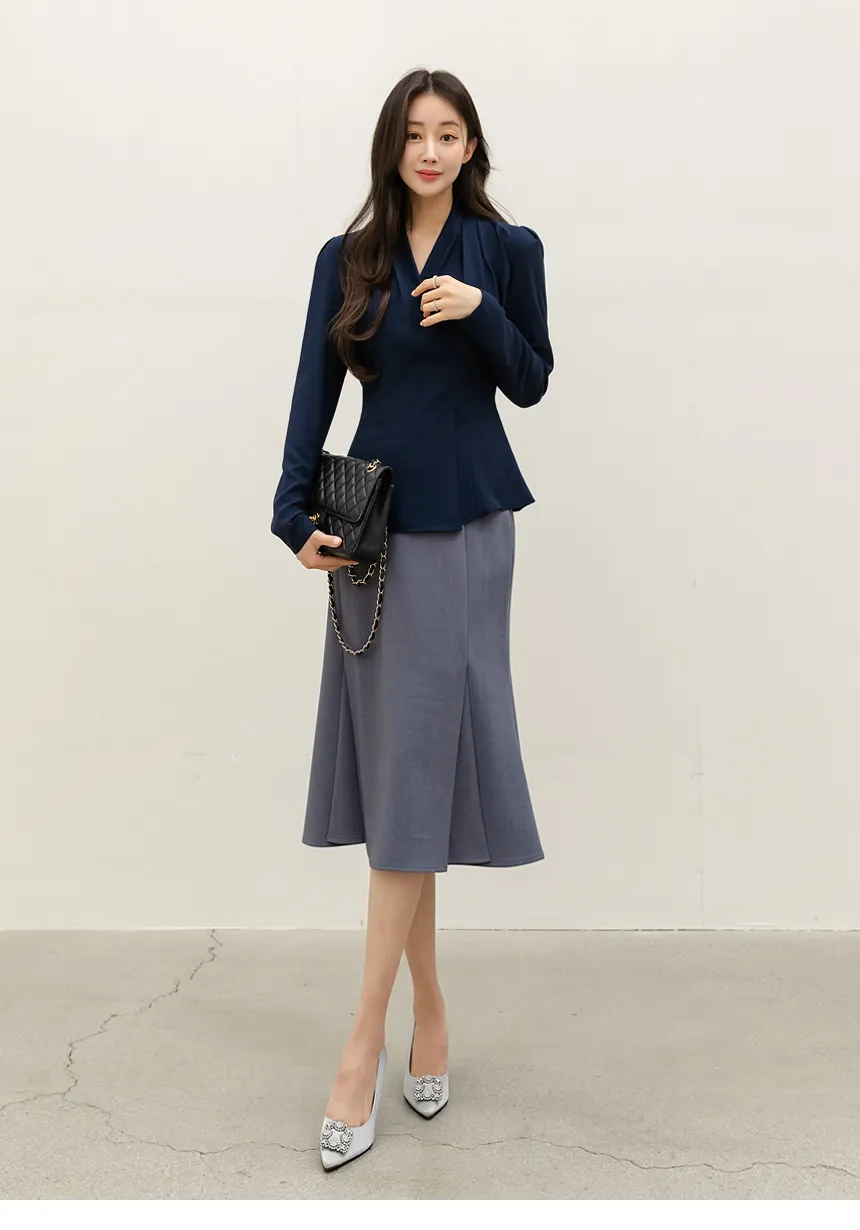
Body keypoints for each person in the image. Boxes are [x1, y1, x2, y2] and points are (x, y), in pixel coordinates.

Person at [270, 67, 553, 1171]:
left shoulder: (507, 250)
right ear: (391, 146)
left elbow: (531, 382)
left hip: (468, 528)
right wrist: (290, 514)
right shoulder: (347, 260)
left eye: (448, 134)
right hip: (370, 534)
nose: (429, 151)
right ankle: (429, 1012)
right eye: (413, 135)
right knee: (404, 780)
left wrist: (483, 317)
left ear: (471, 144)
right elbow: (313, 391)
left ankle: (362, 1045)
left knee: (411, 778)